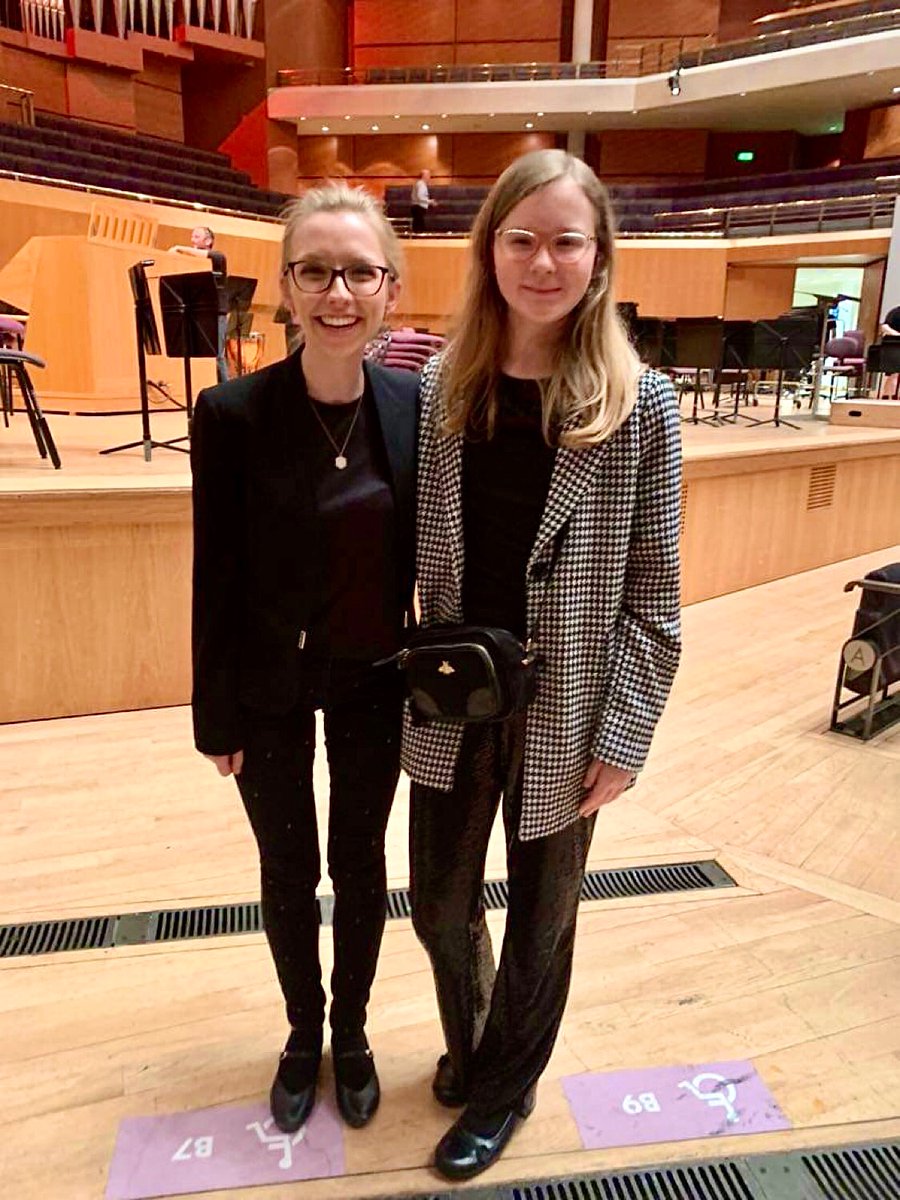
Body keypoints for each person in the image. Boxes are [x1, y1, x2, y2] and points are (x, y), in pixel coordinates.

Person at [402, 149, 682, 1181]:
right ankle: (477, 1042)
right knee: (438, 898)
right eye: (521, 238)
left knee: (543, 911)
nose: (543, 260)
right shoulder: (442, 386)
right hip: (453, 690)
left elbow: (655, 598)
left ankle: (505, 1085)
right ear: (491, 252)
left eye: (567, 239)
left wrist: (626, 736)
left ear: (599, 255)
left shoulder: (641, 405)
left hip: (568, 706)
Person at [190, 184, 418, 1134]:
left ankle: (354, 1032)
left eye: (360, 271)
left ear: (389, 290)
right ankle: (300, 1033)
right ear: (286, 285)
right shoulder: (232, 412)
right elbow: (215, 570)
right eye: (316, 269)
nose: (338, 290)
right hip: (269, 688)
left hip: (374, 682)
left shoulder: (416, 406)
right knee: (289, 869)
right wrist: (215, 715)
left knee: (361, 866)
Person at [172, 225, 230, 383]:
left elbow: (214, 256)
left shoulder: (218, 257)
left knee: (217, 356)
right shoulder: (193, 262)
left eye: (196, 237)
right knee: (201, 357)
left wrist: (178, 248)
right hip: (201, 313)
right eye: (192, 237)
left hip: (217, 313)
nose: (192, 240)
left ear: (209, 240)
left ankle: (226, 391)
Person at [410, 168, 434, 233]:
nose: (430, 176)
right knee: (419, 227)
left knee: (418, 225)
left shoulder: (419, 183)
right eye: (428, 174)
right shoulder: (421, 184)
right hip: (419, 207)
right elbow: (420, 197)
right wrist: (430, 201)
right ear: (424, 176)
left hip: (417, 207)